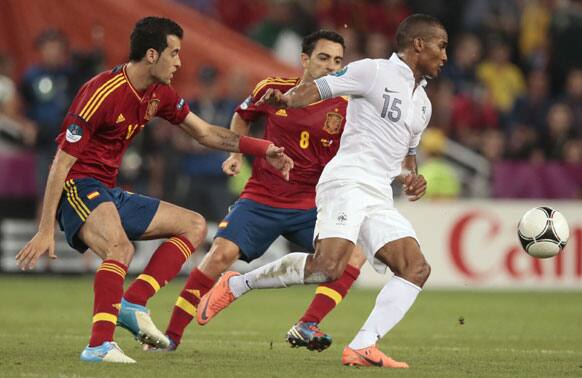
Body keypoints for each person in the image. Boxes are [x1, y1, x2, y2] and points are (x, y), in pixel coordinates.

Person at [15, 16, 292, 364]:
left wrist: (261, 147)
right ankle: (98, 345)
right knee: (120, 248)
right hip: (78, 187)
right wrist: (45, 229)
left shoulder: (159, 94)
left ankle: (133, 302)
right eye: (174, 53)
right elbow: (61, 163)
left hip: (107, 190)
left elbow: (205, 132)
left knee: (192, 225)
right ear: (151, 54)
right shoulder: (101, 92)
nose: (179, 62)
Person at [198, 13, 447, 369]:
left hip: (377, 192)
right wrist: (285, 101)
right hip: (346, 180)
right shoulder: (373, 71)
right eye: (441, 45)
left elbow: (407, 156)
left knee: (415, 268)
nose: (445, 55)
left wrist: (413, 176)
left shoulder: (423, 104)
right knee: (328, 267)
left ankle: (362, 345)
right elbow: (319, 88)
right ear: (419, 44)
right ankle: (239, 284)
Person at [150, 30, 366, 353]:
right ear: (305, 60)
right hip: (262, 197)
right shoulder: (273, 88)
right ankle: (170, 338)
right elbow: (242, 116)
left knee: (355, 255)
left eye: (337, 61)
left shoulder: (349, 106)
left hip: (312, 203)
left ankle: (308, 323)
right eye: (323, 58)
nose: (331, 67)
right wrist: (236, 154)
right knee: (219, 256)